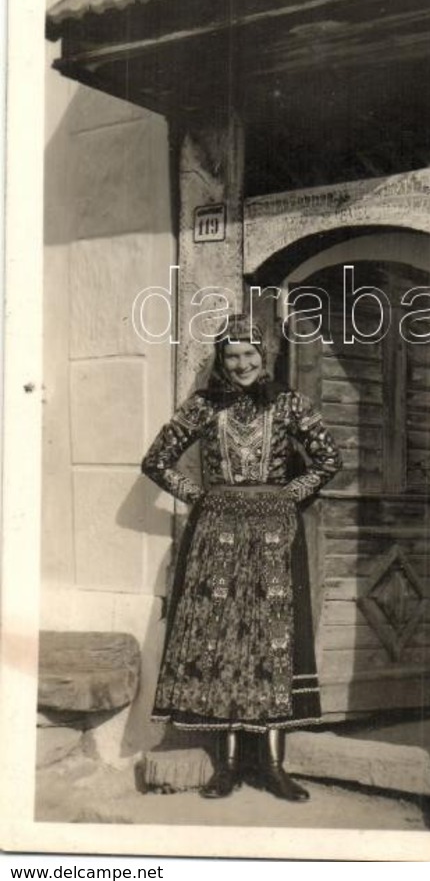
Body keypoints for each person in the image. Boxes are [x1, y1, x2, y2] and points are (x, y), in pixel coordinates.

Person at [141, 314, 342, 802]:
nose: (242, 364)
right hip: (217, 535)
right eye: (232, 356)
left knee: (274, 643)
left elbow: (329, 459)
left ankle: (273, 766)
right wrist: (201, 496)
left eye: (250, 354)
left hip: (273, 536)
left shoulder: (290, 403)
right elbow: (156, 460)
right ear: (221, 359)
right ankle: (227, 766)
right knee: (222, 642)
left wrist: (288, 494)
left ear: (266, 355)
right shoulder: (203, 407)